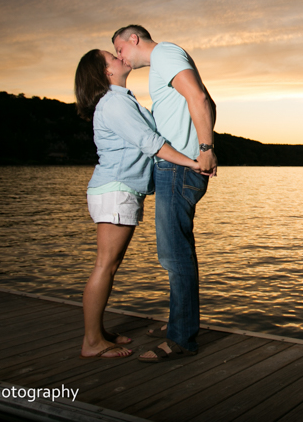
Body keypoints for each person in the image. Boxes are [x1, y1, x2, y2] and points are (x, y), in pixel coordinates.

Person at [74, 49, 206, 359]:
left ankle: (98, 332)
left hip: (119, 190)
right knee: (106, 265)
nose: (120, 58)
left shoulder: (122, 99)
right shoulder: (115, 102)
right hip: (116, 190)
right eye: (112, 58)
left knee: (110, 264)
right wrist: (192, 162)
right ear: (105, 73)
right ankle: (91, 342)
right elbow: (151, 142)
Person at [112, 25, 217, 363]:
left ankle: (182, 338)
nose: (120, 58)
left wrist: (205, 148)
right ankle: (179, 322)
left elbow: (199, 98)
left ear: (134, 39)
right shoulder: (164, 63)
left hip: (179, 169)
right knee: (175, 253)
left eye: (119, 50)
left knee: (175, 256)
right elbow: (207, 100)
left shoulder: (166, 54)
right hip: (179, 167)